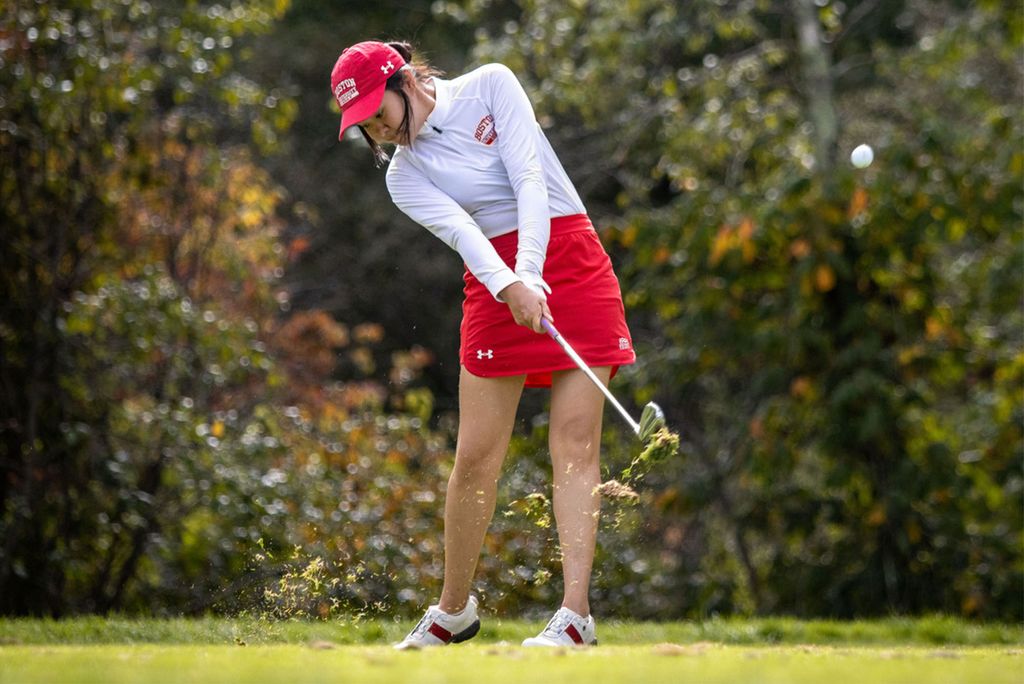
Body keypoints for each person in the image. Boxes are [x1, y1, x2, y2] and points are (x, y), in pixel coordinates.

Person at [330, 40, 635, 649]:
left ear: (404, 81)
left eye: (378, 113)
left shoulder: (490, 85)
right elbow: (465, 235)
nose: (379, 131)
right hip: (496, 283)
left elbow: (529, 177)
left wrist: (532, 272)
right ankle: (452, 611)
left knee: (574, 444)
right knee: (474, 456)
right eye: (364, 125)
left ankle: (575, 616)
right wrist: (511, 284)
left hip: (566, 254)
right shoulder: (402, 175)